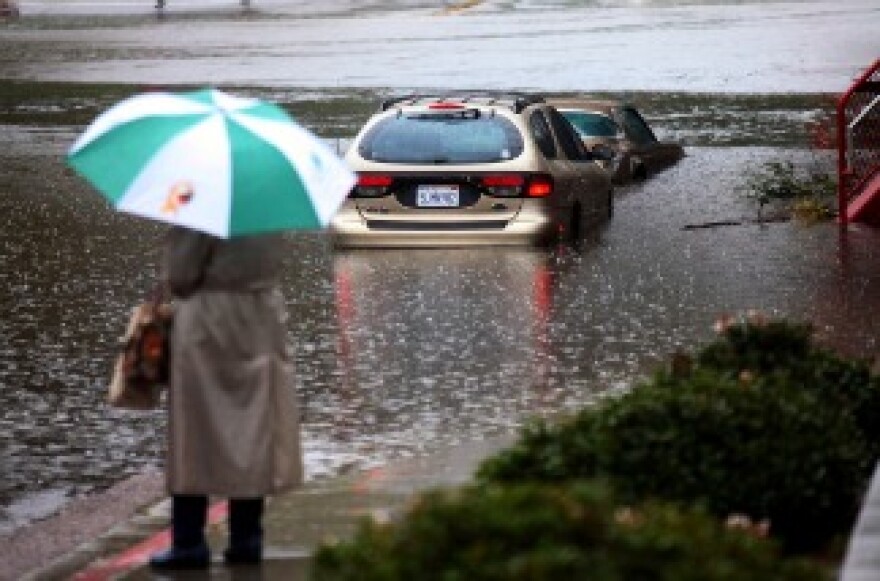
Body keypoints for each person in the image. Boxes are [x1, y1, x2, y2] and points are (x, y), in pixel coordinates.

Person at [149, 227, 303, 569]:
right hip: (261, 319)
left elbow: (182, 275)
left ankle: (189, 541)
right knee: (253, 430)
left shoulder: (199, 202)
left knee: (194, 430)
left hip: (208, 322)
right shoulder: (268, 203)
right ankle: (247, 538)